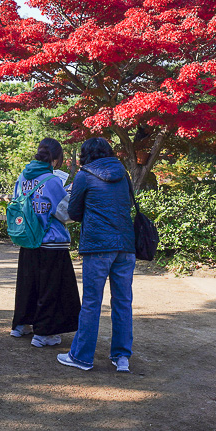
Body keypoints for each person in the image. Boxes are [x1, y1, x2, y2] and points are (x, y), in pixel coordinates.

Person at [56, 137, 135, 373]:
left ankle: (81, 357)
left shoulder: (84, 175)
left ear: (85, 155)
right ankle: (121, 357)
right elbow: (128, 204)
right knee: (123, 301)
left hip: (98, 246)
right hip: (126, 244)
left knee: (92, 302)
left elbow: (74, 212)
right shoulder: (123, 174)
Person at [10, 138, 81, 348]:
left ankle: (21, 324)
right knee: (51, 288)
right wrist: (69, 193)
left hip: (28, 238)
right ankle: (44, 333)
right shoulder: (52, 181)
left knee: (27, 285)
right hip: (51, 241)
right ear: (56, 159)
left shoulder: (23, 176)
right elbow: (65, 213)